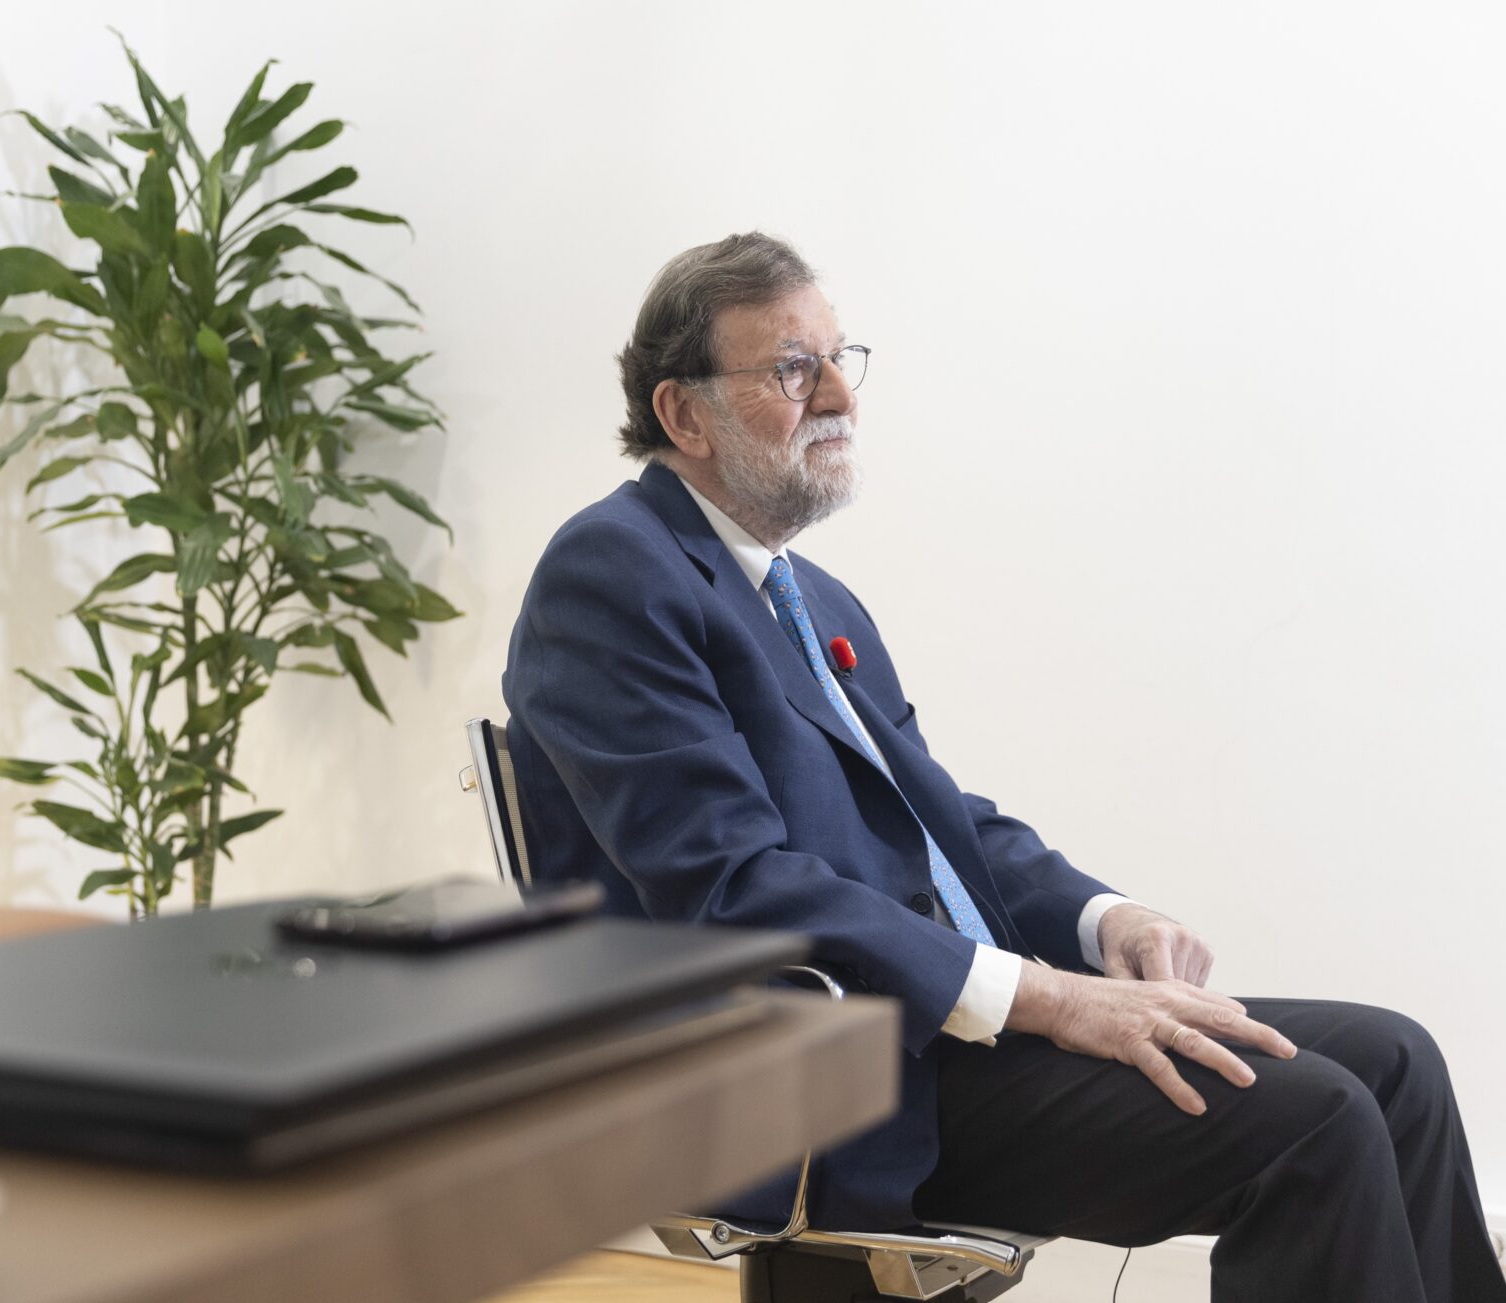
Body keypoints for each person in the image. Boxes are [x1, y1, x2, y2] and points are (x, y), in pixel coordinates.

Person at [500, 232, 1502, 1303]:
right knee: (1316, 1121)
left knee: (1396, 1063)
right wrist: (1054, 1000)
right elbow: (733, 884)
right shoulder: (613, 573)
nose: (839, 394)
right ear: (684, 414)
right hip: (830, 1082)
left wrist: (1102, 921)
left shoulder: (812, 597)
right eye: (793, 369)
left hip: (942, 1037)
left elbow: (939, 825)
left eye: (841, 357)